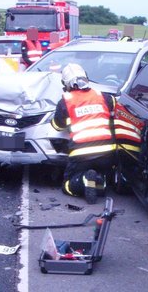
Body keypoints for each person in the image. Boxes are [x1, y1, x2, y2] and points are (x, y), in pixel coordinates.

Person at [51, 63, 116, 204]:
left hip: (81, 155)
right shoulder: (104, 97)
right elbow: (113, 116)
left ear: (65, 83)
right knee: (103, 182)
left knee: (67, 186)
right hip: (107, 153)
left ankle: (85, 179)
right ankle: (98, 180)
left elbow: (58, 126)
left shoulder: (65, 101)